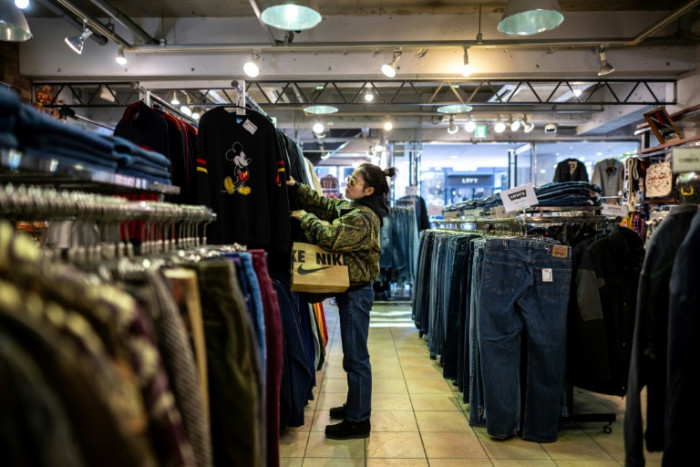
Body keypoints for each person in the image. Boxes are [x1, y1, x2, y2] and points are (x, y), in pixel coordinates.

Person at [286, 164, 396, 439]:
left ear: (368, 190)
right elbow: (328, 207)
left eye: (353, 180)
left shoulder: (363, 218)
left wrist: (306, 218)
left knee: (356, 358)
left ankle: (359, 421)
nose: (348, 183)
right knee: (353, 356)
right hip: (352, 291)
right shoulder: (354, 209)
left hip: (357, 293)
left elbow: (330, 238)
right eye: (349, 178)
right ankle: (354, 407)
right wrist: (298, 189)